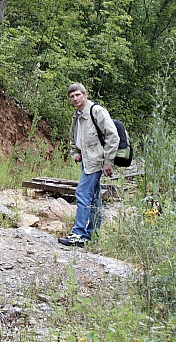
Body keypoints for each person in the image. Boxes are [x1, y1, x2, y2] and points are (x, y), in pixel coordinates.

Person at [58, 83, 119, 247]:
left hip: (96, 161)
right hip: (86, 161)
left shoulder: (96, 111)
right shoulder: (77, 115)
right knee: (94, 198)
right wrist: (75, 153)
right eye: (72, 96)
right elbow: (73, 138)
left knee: (82, 193)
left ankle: (79, 234)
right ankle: (93, 235)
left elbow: (113, 136)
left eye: (78, 95)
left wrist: (108, 162)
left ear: (85, 95)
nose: (75, 98)